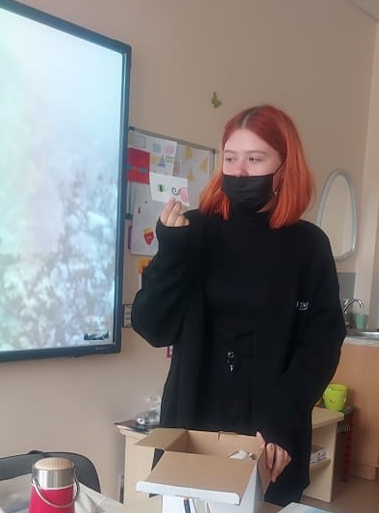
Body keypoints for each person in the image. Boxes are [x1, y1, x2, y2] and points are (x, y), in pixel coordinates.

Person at [131, 104, 346, 506]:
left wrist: (281, 418)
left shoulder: (308, 246)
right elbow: (152, 326)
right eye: (230, 158)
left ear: (284, 166)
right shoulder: (193, 230)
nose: (240, 172)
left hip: (271, 433)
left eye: (255, 159)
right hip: (193, 425)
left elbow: (322, 344)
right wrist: (172, 253)